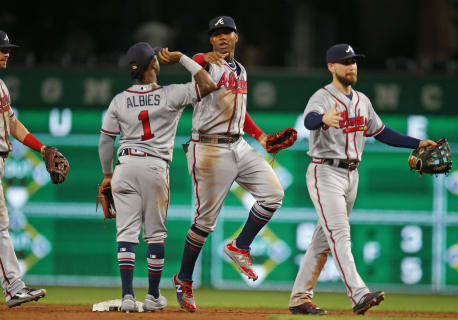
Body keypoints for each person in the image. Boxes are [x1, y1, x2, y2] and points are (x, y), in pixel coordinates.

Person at [288, 43, 437, 315]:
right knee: (341, 235)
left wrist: (418, 143)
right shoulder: (322, 97)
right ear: (331, 67)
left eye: (354, 61)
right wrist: (323, 118)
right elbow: (309, 120)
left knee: (323, 241)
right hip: (325, 172)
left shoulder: (362, 101)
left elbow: (382, 132)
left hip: (351, 175)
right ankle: (359, 294)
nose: (352, 66)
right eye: (345, 62)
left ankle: (299, 298)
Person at [172, 16, 285, 312]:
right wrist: (199, 57)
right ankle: (184, 279)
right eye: (217, 33)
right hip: (208, 147)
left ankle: (240, 246)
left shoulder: (242, 70)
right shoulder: (205, 64)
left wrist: (261, 136)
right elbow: (199, 61)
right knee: (204, 223)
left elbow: (239, 110)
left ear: (237, 37)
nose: (222, 37)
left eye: (227, 32)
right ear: (211, 40)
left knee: (274, 194)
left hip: (238, 144)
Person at [98, 42, 219, 312]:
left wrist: (107, 175)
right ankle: (153, 296)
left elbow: (106, 141)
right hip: (154, 167)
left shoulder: (119, 99)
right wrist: (183, 59)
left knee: (126, 234)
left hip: (124, 165)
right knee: (154, 235)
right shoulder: (170, 94)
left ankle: (128, 296)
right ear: (154, 64)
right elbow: (208, 84)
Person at [0, 30, 67, 308]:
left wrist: (42, 148)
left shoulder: (1, 86)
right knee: (1, 227)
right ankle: (14, 288)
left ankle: (14, 287)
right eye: (1, 49)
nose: (6, 53)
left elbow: (12, 123)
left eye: (7, 49)